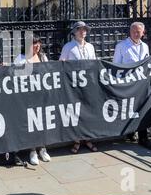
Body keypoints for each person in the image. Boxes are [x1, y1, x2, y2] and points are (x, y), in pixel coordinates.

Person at [113, 22, 151, 151]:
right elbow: (116, 65)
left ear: (143, 33)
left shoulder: (145, 46)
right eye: (134, 31)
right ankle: (130, 132)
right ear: (130, 32)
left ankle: (143, 137)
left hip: (142, 83)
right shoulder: (121, 46)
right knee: (130, 108)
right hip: (128, 83)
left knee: (142, 108)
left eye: (139, 32)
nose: (136, 34)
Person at [59, 21, 98, 154]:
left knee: (87, 110)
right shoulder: (68, 47)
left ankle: (87, 138)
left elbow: (93, 64)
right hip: (74, 85)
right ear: (74, 32)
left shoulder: (90, 47)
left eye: (85, 30)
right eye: (80, 30)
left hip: (88, 84)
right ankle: (76, 140)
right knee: (76, 112)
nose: (83, 32)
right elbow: (61, 65)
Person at [14, 36, 51, 165]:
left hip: (42, 95)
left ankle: (43, 148)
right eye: (34, 43)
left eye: (38, 43)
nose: (37, 46)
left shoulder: (42, 57)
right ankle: (33, 150)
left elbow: (49, 72)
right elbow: (14, 74)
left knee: (43, 122)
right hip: (28, 96)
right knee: (32, 122)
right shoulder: (21, 58)